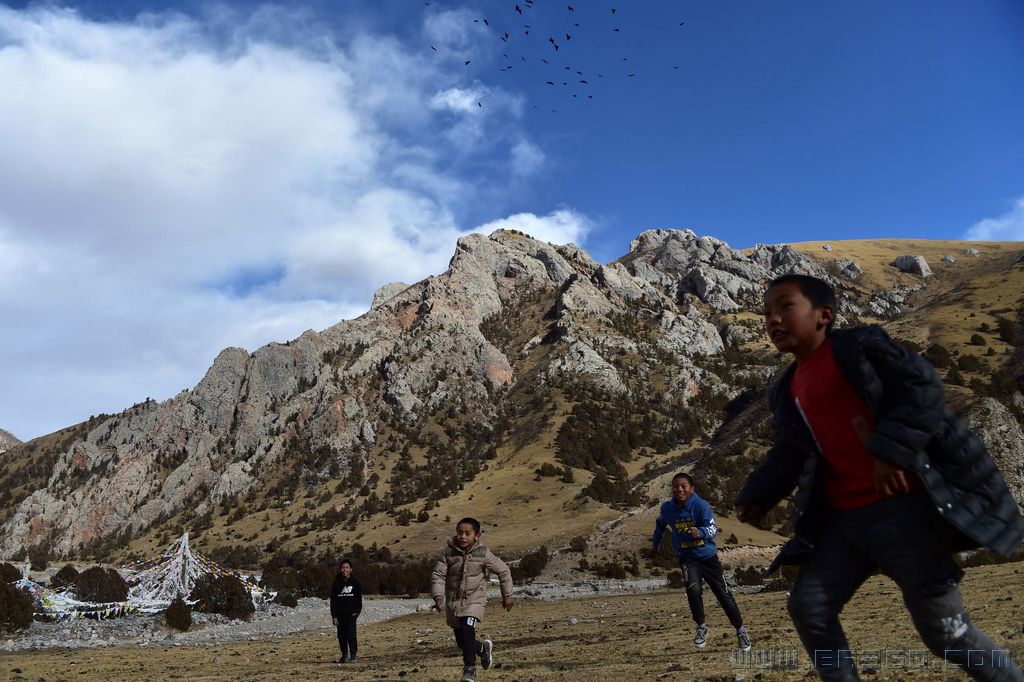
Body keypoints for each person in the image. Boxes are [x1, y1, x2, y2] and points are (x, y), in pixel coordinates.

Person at [736, 273, 1024, 682]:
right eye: (766, 313)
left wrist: (890, 450)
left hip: (905, 518)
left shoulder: (860, 348)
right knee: (810, 608)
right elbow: (789, 452)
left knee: (947, 636)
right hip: (843, 525)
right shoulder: (787, 389)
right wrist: (758, 495)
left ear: (824, 315)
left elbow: (922, 388)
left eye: (785, 306)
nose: (773, 319)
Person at [652, 472, 752, 652]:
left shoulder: (701, 506)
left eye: (683, 486)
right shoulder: (667, 509)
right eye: (676, 486)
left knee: (723, 594)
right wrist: (655, 546)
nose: (679, 489)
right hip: (687, 557)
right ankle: (701, 627)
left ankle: (741, 631)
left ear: (691, 488)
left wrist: (701, 532)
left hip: (708, 558)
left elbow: (713, 528)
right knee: (693, 588)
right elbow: (660, 525)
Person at [431, 517, 514, 682]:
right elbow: (438, 575)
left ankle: (470, 671)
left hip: (474, 600)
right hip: (453, 603)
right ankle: (482, 648)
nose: (463, 536)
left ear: (477, 535)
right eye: (460, 533)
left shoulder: (483, 553)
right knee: (463, 642)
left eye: (467, 533)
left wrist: (507, 595)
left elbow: (504, 571)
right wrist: (438, 596)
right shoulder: (447, 553)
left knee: (468, 630)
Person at [330, 558, 362, 663]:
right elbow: (333, 600)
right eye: (343, 568)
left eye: (347, 567)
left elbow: (358, 598)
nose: (345, 570)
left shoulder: (355, 582)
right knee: (341, 635)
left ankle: (353, 654)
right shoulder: (336, 583)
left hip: (352, 613)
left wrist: (357, 611)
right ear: (340, 569)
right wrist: (334, 615)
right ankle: (344, 654)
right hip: (339, 614)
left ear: (351, 569)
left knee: (351, 633)